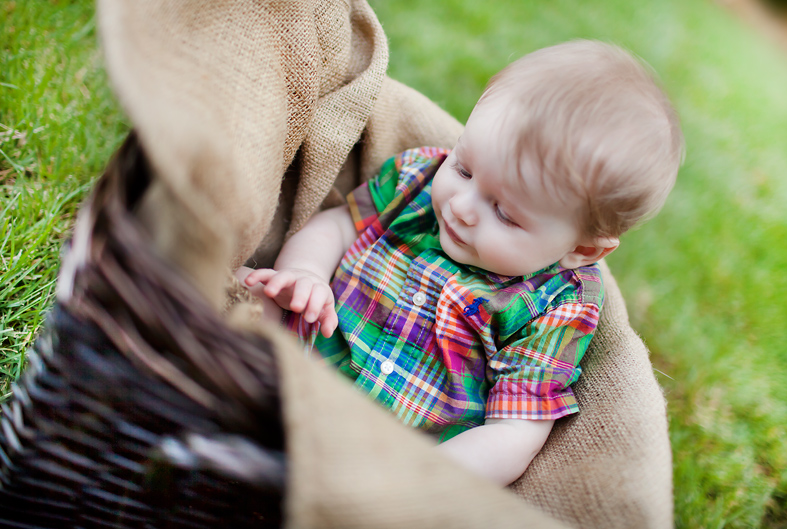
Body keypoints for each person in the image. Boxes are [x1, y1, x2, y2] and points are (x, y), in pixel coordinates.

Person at [237, 40, 684, 486]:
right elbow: (338, 226)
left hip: (386, 455)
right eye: (465, 168)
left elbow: (514, 431)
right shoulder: (417, 181)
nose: (463, 206)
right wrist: (306, 274)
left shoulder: (556, 304)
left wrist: (424, 480)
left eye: (506, 213)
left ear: (582, 250)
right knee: (247, 290)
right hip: (299, 357)